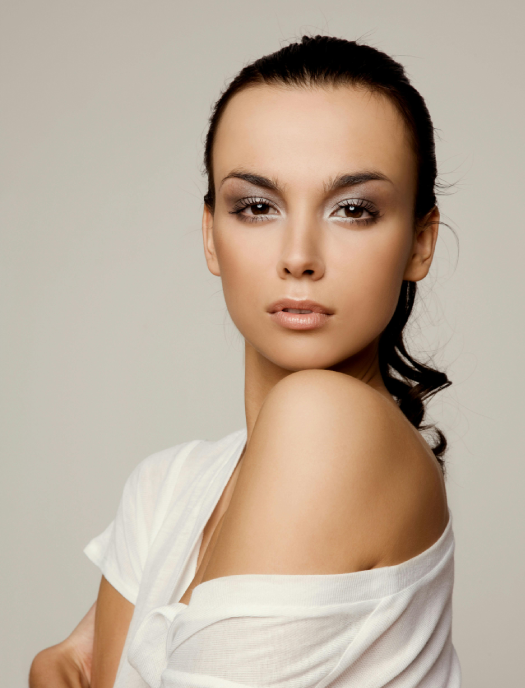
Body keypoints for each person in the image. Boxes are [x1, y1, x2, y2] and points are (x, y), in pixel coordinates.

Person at [30, 35, 460, 688]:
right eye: (256, 206)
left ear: (418, 243)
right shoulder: (167, 487)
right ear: (211, 234)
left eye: (352, 209)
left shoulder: (331, 420)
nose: (298, 255)